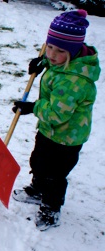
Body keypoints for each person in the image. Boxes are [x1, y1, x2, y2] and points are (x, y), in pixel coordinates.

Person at [11, 9, 101, 231]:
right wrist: (42, 63)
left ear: (73, 52)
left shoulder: (74, 81)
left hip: (66, 137)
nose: (52, 53)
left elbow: (58, 114)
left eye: (59, 50)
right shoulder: (64, 62)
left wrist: (33, 108)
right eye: (49, 46)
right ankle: (37, 188)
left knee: (55, 176)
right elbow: (56, 63)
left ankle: (51, 209)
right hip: (49, 131)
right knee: (39, 161)